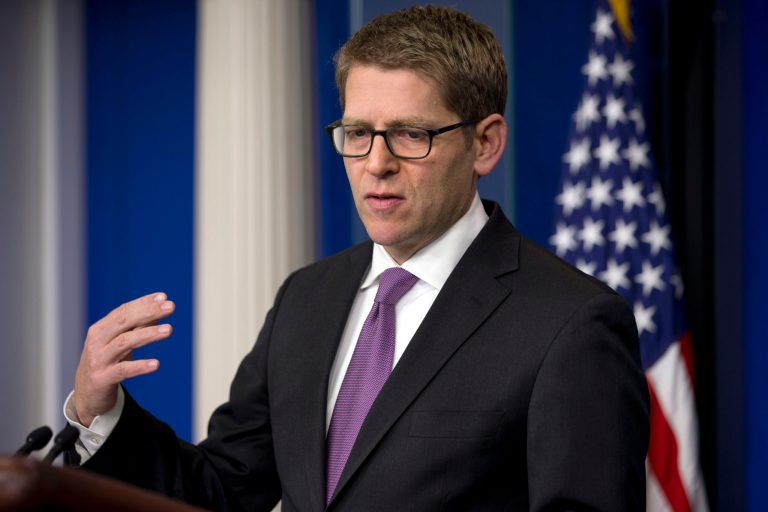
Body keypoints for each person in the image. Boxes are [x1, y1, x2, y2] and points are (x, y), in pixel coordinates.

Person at [65, 5, 649, 511]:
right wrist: (101, 411)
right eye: (357, 132)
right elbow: (220, 491)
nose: (376, 162)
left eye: (410, 134)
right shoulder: (306, 297)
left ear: (485, 143)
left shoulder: (571, 323)